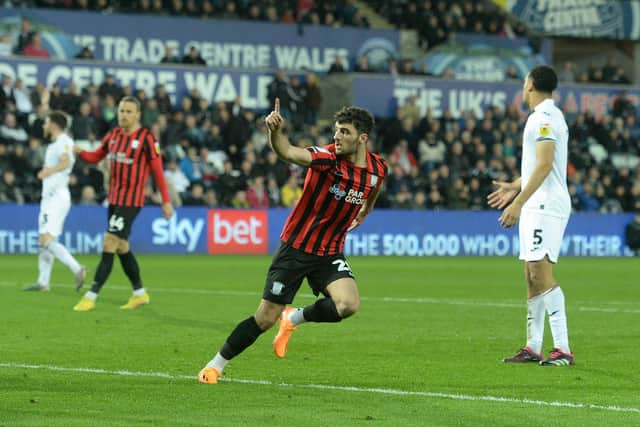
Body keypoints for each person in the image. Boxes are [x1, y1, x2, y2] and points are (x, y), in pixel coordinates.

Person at [197, 99, 388, 384]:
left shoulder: (377, 169)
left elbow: (371, 191)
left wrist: (365, 211)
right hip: (296, 249)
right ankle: (215, 365)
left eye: (345, 132)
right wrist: (275, 131)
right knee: (264, 318)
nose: (337, 136)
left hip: (328, 252)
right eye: (336, 131)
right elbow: (287, 151)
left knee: (348, 304)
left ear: (362, 138)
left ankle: (293, 319)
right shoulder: (327, 160)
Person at [487, 65, 574, 366]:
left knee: (540, 272)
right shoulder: (542, 116)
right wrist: (514, 187)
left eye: (525, 81)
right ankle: (533, 346)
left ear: (532, 84)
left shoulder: (546, 117)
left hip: (546, 204)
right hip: (537, 201)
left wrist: (518, 203)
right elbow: (537, 167)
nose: (523, 86)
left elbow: (546, 164)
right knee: (530, 275)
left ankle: (562, 348)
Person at [72, 96, 173, 312]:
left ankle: (91, 296)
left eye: (128, 111)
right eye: (121, 110)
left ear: (137, 115)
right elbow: (96, 156)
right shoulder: (114, 135)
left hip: (132, 201)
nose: (124, 115)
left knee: (109, 242)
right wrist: (80, 152)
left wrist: (166, 201)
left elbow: (157, 171)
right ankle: (139, 293)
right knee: (121, 247)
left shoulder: (147, 138)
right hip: (114, 199)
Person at [23, 111, 86, 292]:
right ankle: (43, 282)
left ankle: (77, 268)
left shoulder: (64, 141)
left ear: (53, 125)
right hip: (49, 197)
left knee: (45, 239)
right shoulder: (57, 143)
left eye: (46, 123)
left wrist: (47, 172)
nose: (43, 126)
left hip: (57, 197)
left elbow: (66, 162)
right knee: (43, 240)